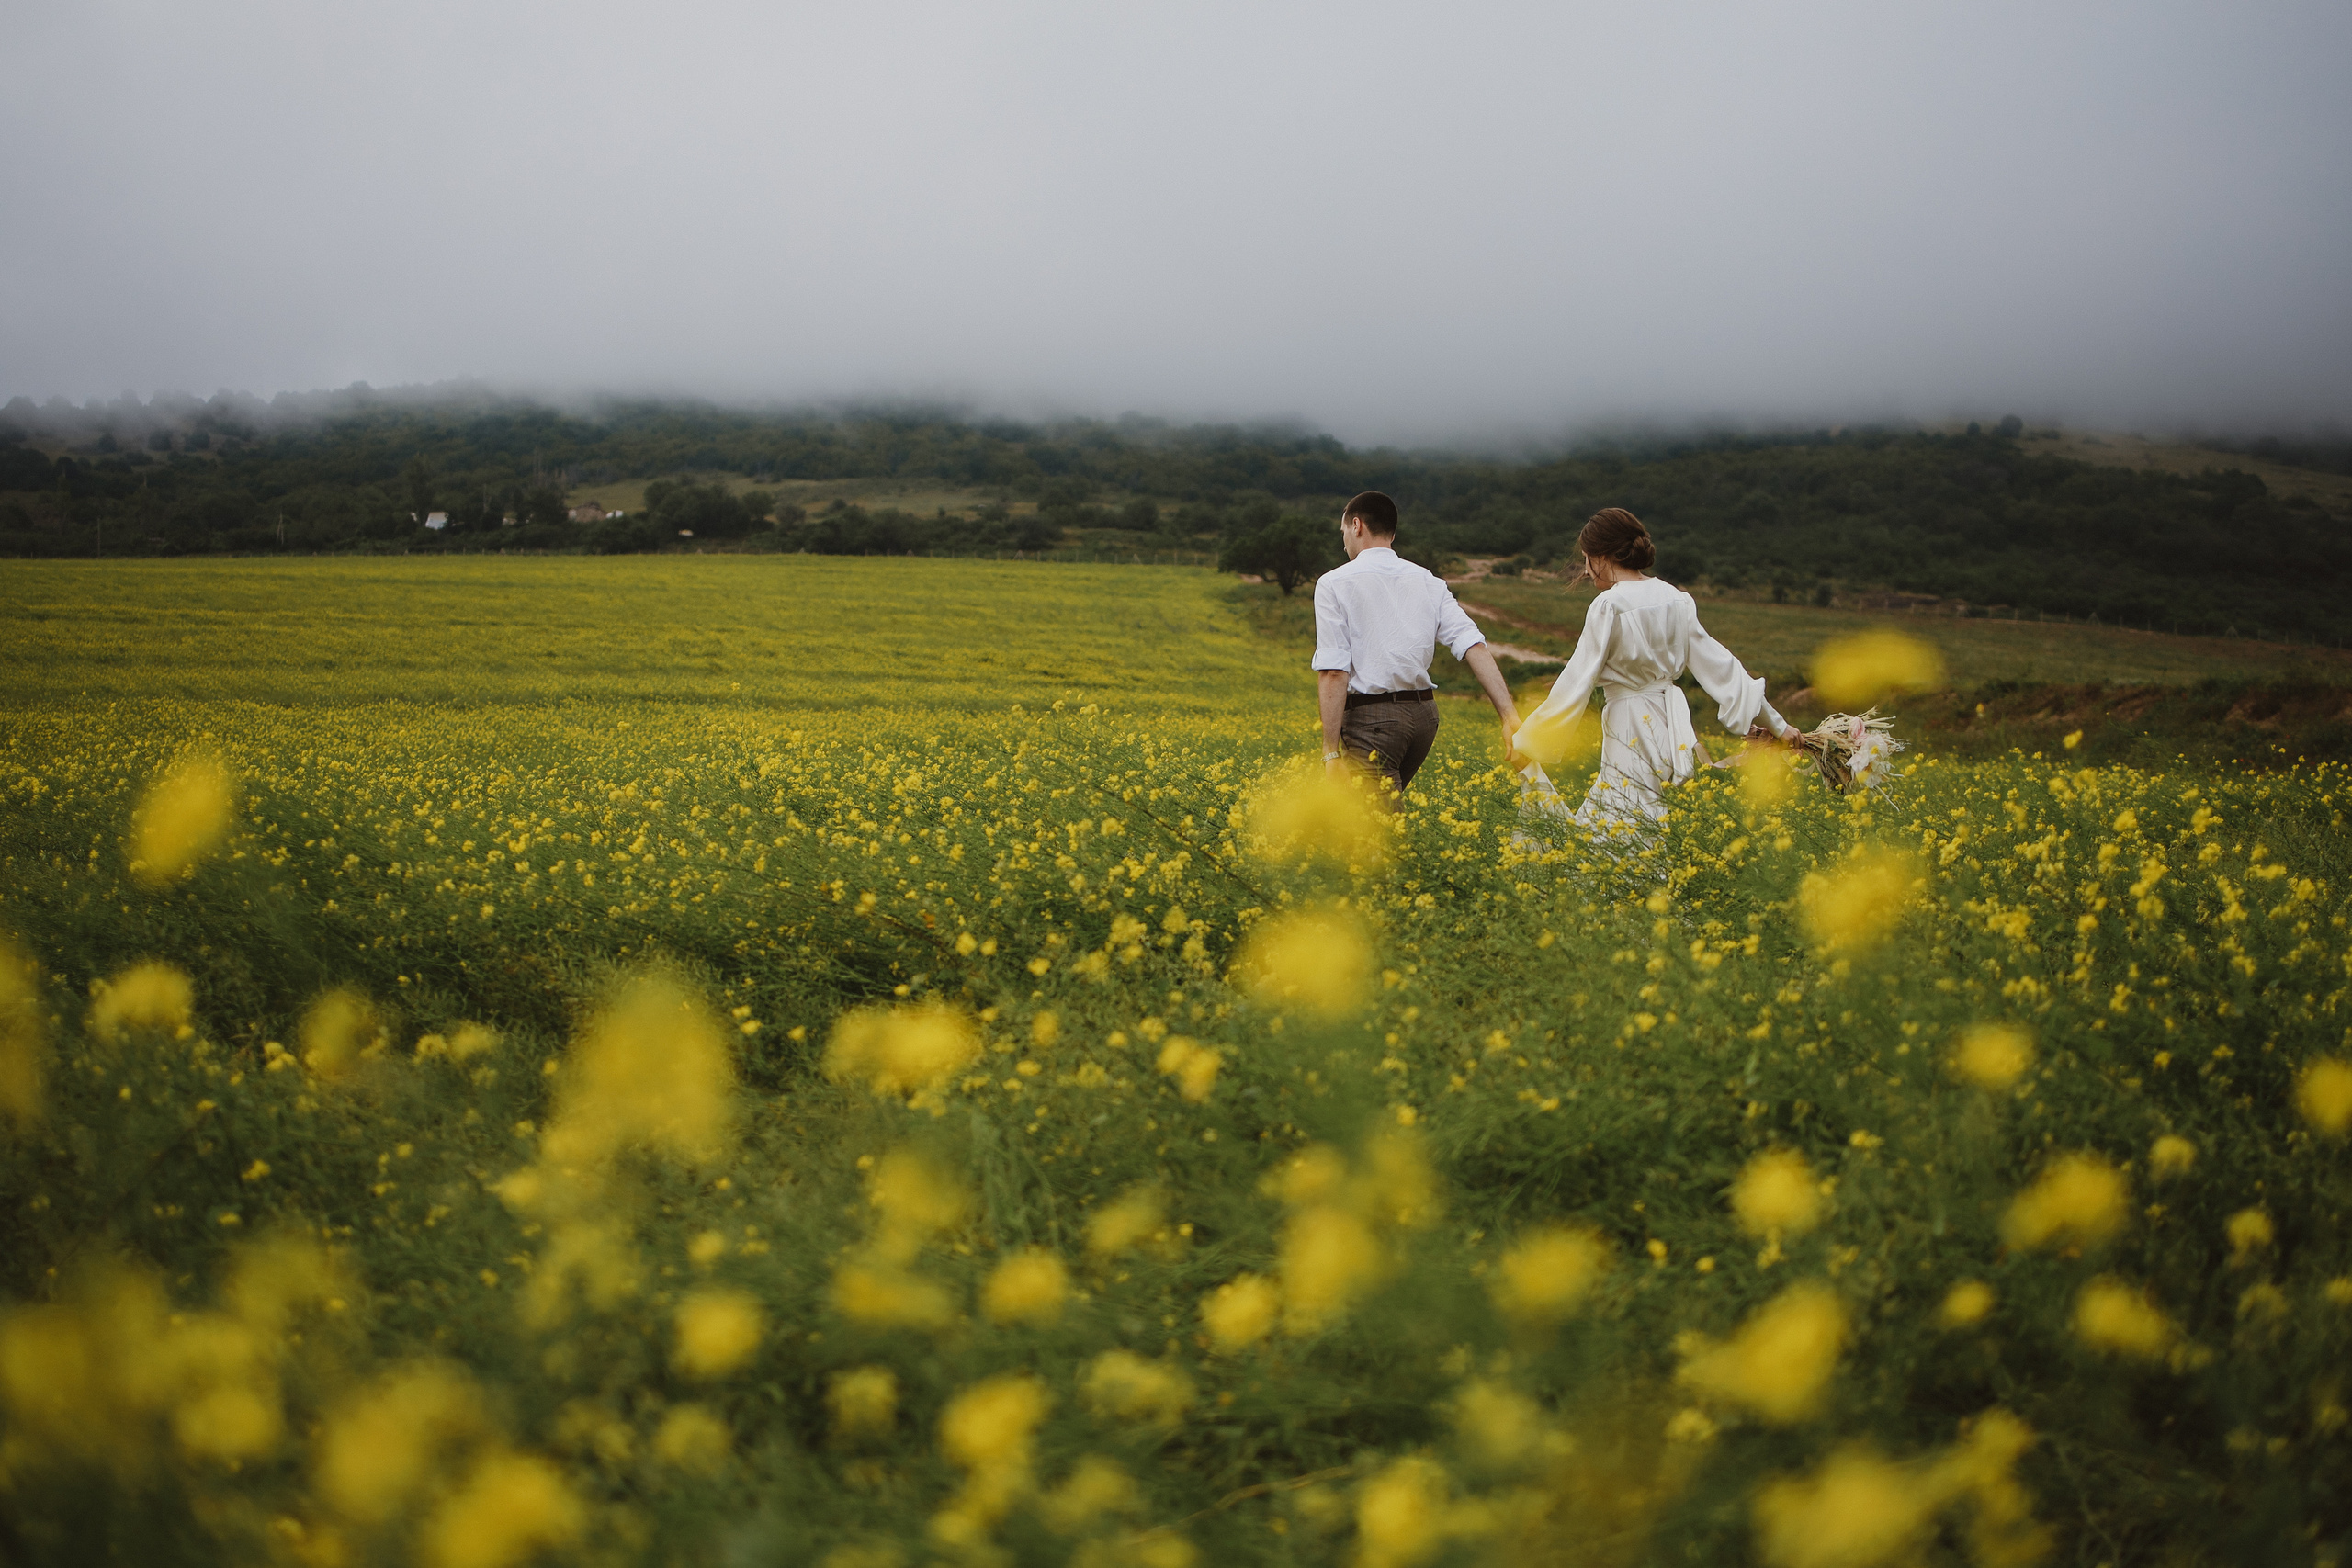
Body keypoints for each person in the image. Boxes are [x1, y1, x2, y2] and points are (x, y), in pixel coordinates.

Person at [1510, 507, 1797, 831]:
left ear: (1602, 556)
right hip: (1671, 723)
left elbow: (1576, 682)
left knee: (1626, 821)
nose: (1587, 572)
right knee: (1642, 817)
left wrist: (1527, 742)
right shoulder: (1676, 598)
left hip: (1630, 725)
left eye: (1587, 559)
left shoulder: (1609, 605)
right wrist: (1778, 724)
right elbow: (1723, 668)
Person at [1311, 491, 1521, 802]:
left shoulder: (1333, 583)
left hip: (1374, 723)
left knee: (1374, 832)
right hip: (1424, 720)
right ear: (1392, 532)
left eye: (1343, 531)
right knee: (1371, 816)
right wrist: (1510, 717)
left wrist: (1330, 753)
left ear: (1357, 526)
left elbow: (1333, 671)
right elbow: (1473, 646)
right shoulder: (1428, 581)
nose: (1344, 541)